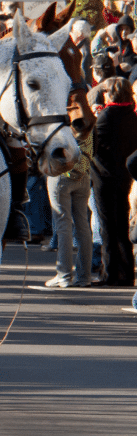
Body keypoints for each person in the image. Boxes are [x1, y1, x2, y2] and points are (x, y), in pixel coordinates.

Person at [94, 77, 137, 286]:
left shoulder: (105, 116)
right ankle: (127, 272)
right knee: (122, 225)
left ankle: (109, 272)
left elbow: (93, 147)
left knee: (107, 226)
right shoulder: (132, 115)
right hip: (125, 175)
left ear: (110, 93)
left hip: (104, 177)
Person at [46, 112, 94, 287]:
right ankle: (84, 276)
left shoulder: (61, 125)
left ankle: (64, 275)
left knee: (63, 226)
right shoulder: (89, 124)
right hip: (83, 176)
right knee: (83, 226)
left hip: (61, 175)